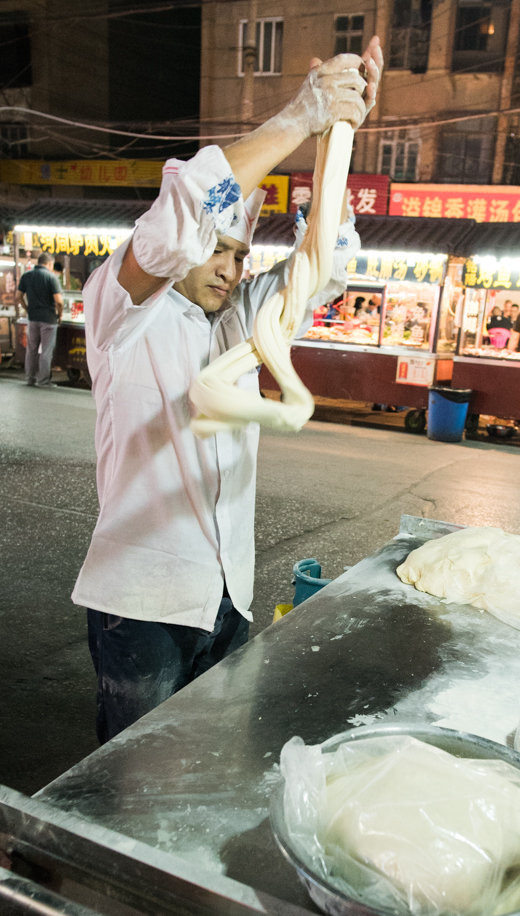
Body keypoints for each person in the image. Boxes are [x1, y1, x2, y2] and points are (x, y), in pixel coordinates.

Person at [72, 40, 383, 744]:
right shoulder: (123, 312)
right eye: (218, 250)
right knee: (133, 782)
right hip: (142, 605)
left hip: (226, 599)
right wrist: (302, 117)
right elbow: (179, 218)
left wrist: (343, 132)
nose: (231, 267)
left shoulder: (239, 325)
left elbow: (320, 269)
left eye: (241, 253)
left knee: (205, 764)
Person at [16, 252, 64, 388]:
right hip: (48, 319)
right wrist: (59, 314)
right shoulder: (51, 277)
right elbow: (59, 301)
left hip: (32, 318)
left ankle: (30, 378)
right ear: (49, 264)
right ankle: (43, 381)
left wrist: (27, 308)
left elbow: (18, 296)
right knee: (46, 351)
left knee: (31, 349)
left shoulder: (27, 275)